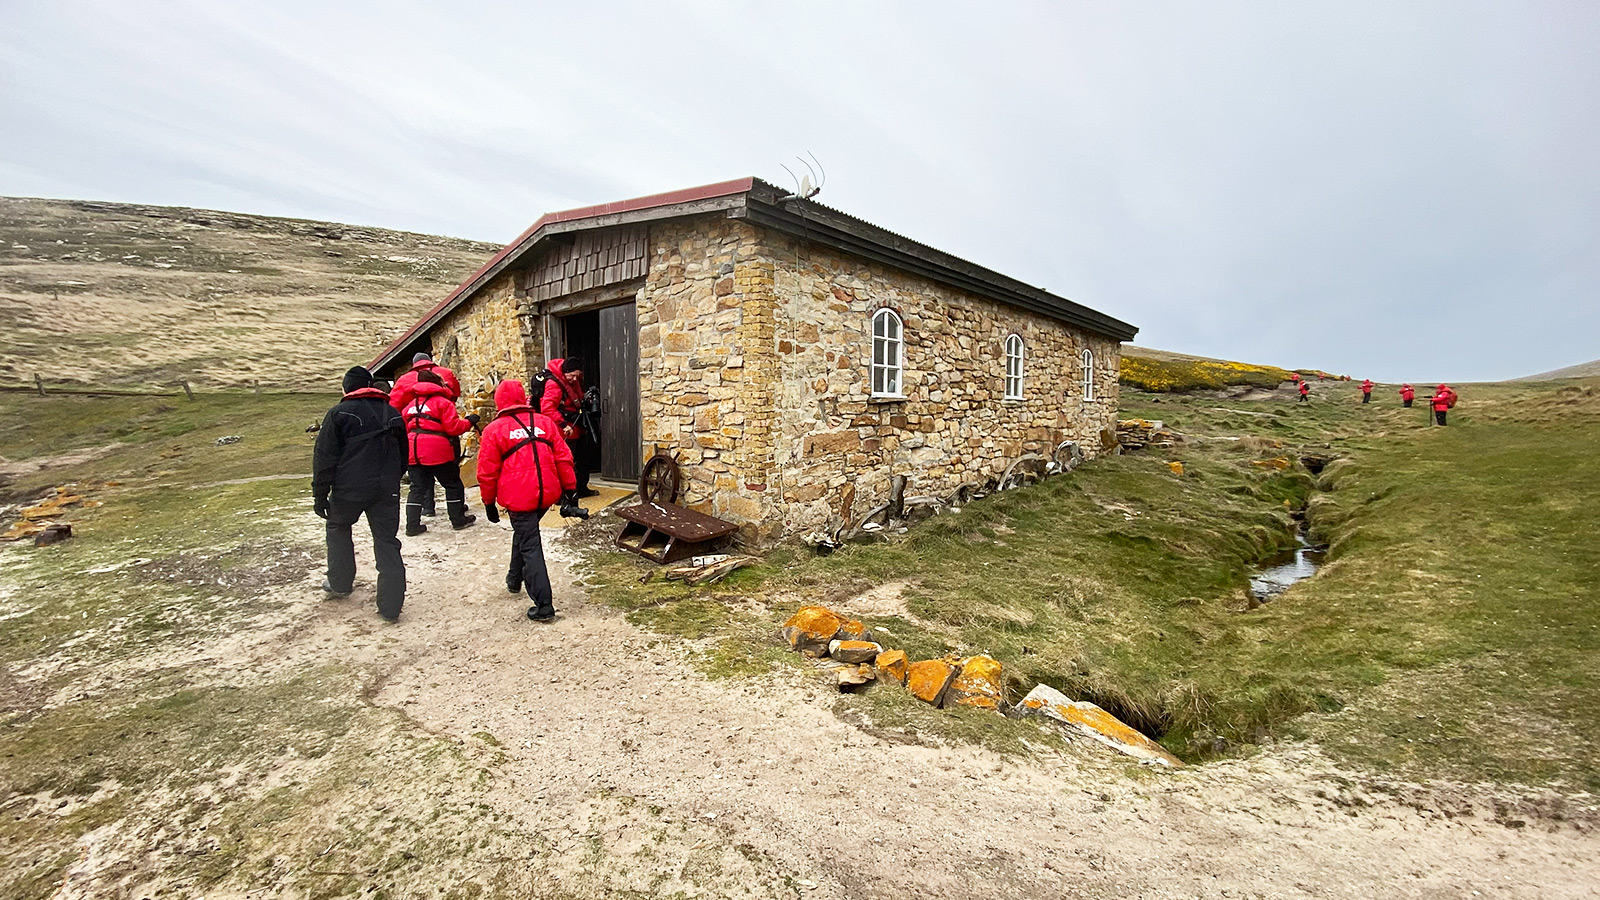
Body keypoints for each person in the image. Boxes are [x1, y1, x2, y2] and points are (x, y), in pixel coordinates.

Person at [312, 366, 408, 622]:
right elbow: (403, 457)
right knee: (387, 541)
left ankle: (340, 583)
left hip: (348, 489)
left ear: (346, 388)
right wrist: (391, 480)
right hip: (385, 489)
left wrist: (320, 494)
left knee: (338, 529)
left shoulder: (338, 413)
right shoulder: (392, 413)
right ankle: (390, 607)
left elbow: (324, 457)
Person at [477, 379, 577, 623]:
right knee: (525, 533)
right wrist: (570, 489)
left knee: (530, 544)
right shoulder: (545, 423)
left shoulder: (494, 430)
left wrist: (488, 503)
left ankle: (544, 605)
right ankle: (514, 578)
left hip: (519, 497)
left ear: (499, 401)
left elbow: (486, 472)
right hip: (546, 494)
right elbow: (564, 457)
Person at [399, 369, 478, 535]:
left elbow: (405, 430)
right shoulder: (443, 403)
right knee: (452, 484)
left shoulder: (410, 406)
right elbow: (454, 428)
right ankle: (458, 520)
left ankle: (412, 526)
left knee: (417, 488)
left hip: (413, 449)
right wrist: (469, 421)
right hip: (437, 450)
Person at [540, 356, 598, 497]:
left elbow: (578, 397)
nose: (574, 379)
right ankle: (564, 494)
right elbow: (547, 408)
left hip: (577, 427)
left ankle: (581, 488)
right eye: (572, 376)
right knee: (566, 462)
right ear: (565, 372)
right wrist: (563, 425)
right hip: (564, 430)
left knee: (583, 459)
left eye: (577, 376)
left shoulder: (573, 381)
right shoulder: (553, 384)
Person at [390, 351, 461, 410]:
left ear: (414, 364)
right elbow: (456, 393)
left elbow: (394, 404)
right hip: (446, 413)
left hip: (418, 418)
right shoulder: (446, 372)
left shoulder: (404, 379)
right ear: (429, 361)